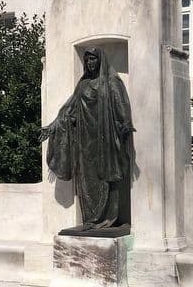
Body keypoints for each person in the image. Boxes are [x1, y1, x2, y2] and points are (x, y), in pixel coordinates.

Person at [40, 47, 134, 230]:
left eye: (93, 59)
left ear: (100, 60)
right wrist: (52, 127)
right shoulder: (82, 85)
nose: (90, 63)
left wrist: (125, 125)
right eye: (87, 60)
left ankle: (110, 218)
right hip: (85, 141)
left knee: (109, 175)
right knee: (86, 178)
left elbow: (121, 105)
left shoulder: (111, 82)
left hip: (106, 138)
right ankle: (91, 219)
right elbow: (69, 110)